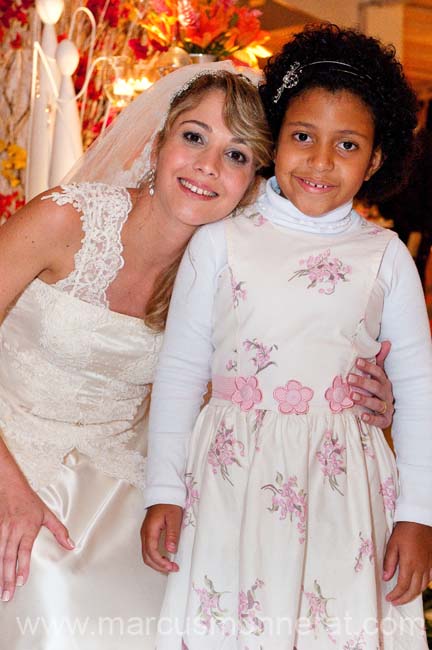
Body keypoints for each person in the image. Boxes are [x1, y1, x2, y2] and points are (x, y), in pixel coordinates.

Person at [142, 25, 432, 649]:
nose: (321, 161)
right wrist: (164, 489)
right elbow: (180, 370)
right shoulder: (220, 242)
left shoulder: (385, 257)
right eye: (303, 137)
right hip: (231, 482)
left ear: (376, 159)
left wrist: (417, 514)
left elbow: (419, 391)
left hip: (343, 491)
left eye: (347, 145)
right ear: (276, 141)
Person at [0, 61, 275, 650]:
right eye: (195, 137)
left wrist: (369, 394)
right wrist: (11, 488)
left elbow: (237, 396)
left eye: (237, 154)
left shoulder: (226, 280)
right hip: (8, 454)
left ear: (251, 184)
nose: (207, 165)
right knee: (50, 596)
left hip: (117, 484)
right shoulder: (63, 219)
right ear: (157, 145)